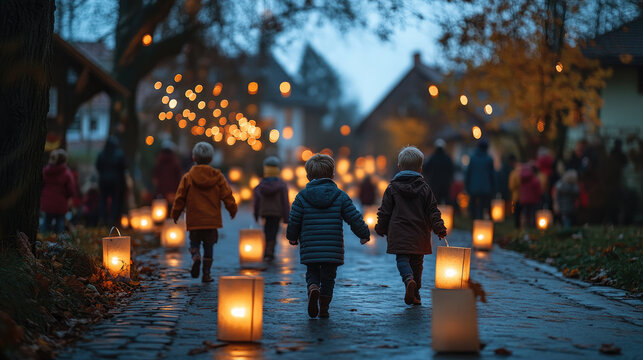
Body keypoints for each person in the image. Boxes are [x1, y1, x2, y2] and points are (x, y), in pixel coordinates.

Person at [286, 154, 370, 318]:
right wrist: (364, 234)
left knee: (312, 273)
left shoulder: (301, 197)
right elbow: (353, 217)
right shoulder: (340, 196)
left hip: (310, 247)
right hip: (332, 249)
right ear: (332, 175)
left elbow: (294, 219)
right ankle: (324, 307)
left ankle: (312, 288)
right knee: (329, 279)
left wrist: (292, 236)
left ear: (308, 176)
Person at [375, 146, 447, 306]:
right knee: (417, 264)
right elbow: (433, 211)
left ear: (399, 167)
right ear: (421, 168)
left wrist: (381, 227)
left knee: (402, 259)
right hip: (420, 233)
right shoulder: (425, 188)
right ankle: (416, 293)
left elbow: (385, 211)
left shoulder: (392, 188)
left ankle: (408, 280)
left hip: (399, 232)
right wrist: (439, 228)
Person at [171, 142, 237, 282]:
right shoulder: (217, 176)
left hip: (194, 219)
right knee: (209, 246)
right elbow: (227, 194)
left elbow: (180, 197)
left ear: (194, 158)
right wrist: (232, 208)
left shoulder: (188, 177)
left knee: (194, 242)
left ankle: (195, 257)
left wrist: (175, 213)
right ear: (211, 159)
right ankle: (206, 274)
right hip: (211, 220)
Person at [253, 156, 290, 262]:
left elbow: (257, 201)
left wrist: (256, 213)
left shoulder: (260, 185)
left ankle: (267, 252)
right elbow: (285, 202)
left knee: (267, 231)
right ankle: (270, 252)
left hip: (265, 211)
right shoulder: (282, 185)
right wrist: (286, 217)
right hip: (276, 212)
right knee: (273, 232)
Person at [41, 149, 76, 234]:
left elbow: (42, 184)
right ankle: (58, 242)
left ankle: (44, 240)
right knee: (60, 222)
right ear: (64, 160)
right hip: (61, 203)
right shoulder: (66, 173)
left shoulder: (46, 170)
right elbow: (71, 189)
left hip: (47, 202)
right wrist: (69, 196)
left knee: (46, 222)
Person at [96, 136, 127, 226]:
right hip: (115, 182)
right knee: (114, 200)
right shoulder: (119, 154)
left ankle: (102, 218)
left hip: (103, 181)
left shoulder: (101, 154)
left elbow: (98, 166)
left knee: (103, 200)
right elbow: (124, 167)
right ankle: (112, 219)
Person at [465, 139, 496, 219]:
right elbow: (492, 175)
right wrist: (493, 187)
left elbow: (468, 173)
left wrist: (467, 186)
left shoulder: (473, 158)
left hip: (473, 187)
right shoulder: (489, 159)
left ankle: (474, 221)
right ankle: (482, 222)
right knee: (483, 206)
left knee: (473, 206)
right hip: (486, 187)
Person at [422, 138, 454, 204]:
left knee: (435, 201)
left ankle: (435, 214)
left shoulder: (432, 158)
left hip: (434, 183)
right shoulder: (447, 158)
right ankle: (447, 213)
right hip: (445, 183)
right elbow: (452, 170)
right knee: (446, 201)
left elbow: (425, 169)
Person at [153, 140, 183, 206]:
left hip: (161, 193)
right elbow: (179, 178)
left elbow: (156, 179)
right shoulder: (175, 162)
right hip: (172, 193)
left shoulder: (159, 161)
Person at [508, 155, 522, 228]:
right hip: (524, 197)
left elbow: (511, 186)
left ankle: (517, 226)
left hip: (516, 196)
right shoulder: (524, 173)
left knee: (516, 213)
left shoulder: (513, 174)